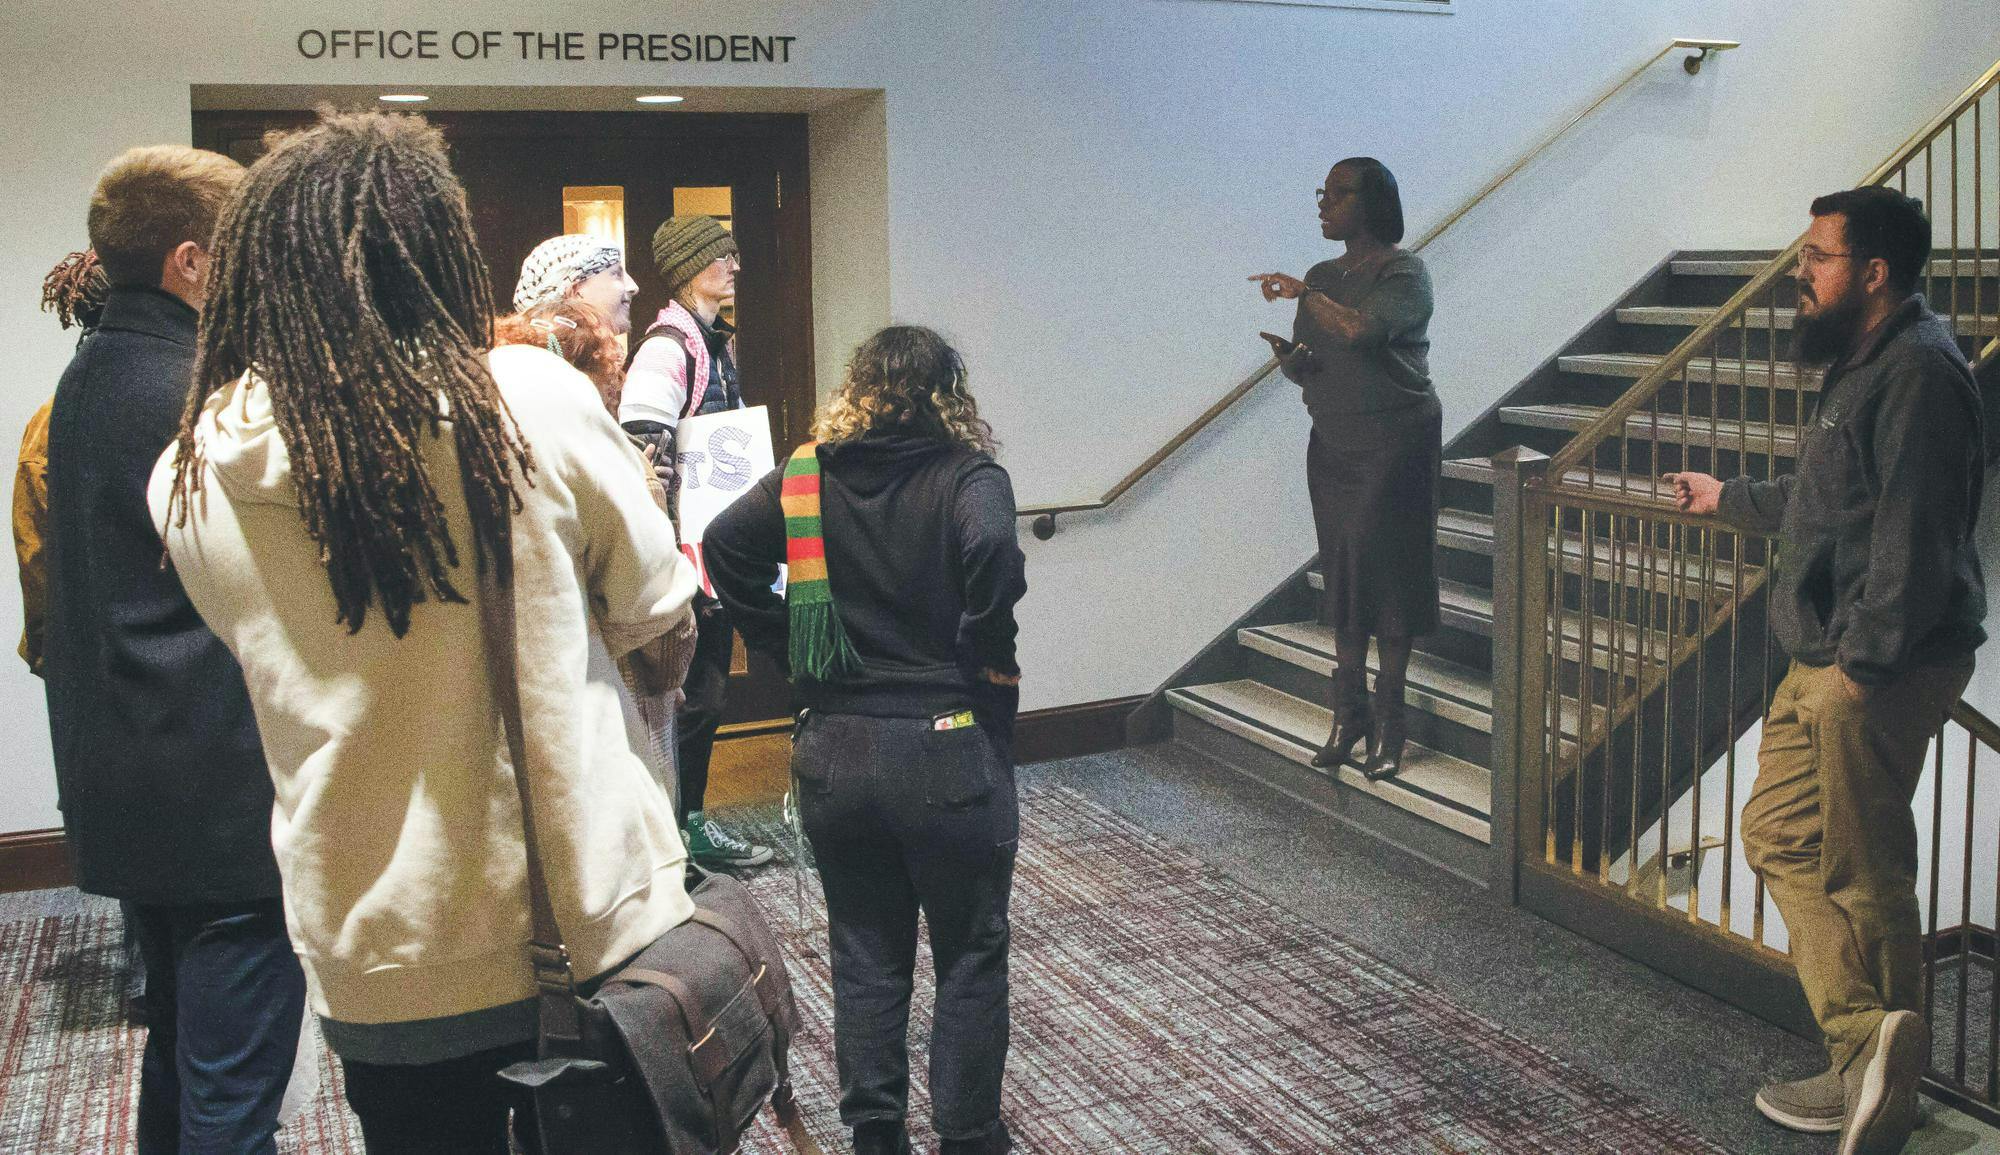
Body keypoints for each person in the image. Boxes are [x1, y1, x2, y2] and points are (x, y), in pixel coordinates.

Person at [149, 111, 701, 1153]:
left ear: (264, 264)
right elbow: (660, 624)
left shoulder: (193, 468)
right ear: (440, 248)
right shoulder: (527, 398)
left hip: (374, 947)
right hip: (581, 913)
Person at [1666, 186, 1984, 1155]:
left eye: (1818, 257)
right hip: (1825, 651)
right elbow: (1828, 502)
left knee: (1863, 866)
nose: (1799, 273)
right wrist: (1730, 498)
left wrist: (1862, 667)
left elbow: (1912, 539)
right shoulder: (1861, 364)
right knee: (1771, 832)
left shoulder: (1921, 373)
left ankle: (1892, 1091)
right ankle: (1864, 1051)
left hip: (1873, 666)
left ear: (1872, 273)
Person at [705, 325, 1027, 1155]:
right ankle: (966, 1135)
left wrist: (784, 642)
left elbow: (721, 546)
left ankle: (876, 1135)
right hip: (948, 749)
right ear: (949, 394)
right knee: (969, 949)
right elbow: (992, 545)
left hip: (837, 753)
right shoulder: (967, 475)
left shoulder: (809, 475)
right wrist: (985, 651)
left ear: (858, 388)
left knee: (866, 949)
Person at [45, 145, 308, 1154]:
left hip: (129, 770)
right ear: (192, 263)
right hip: (219, 791)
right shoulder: (192, 395)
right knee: (233, 1095)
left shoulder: (93, 373)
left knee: (182, 1066)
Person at [1251, 156, 1440, 781]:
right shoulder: (1322, 273)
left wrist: (1306, 296)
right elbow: (1321, 355)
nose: (1324, 203)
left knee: (1389, 572)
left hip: (1394, 439)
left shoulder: (1404, 272)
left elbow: (1362, 333)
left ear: (1374, 201)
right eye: (1322, 192)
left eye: (1338, 192)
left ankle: (1390, 721)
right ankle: (1348, 714)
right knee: (1344, 571)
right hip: (1333, 439)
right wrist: (1292, 361)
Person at [619, 213, 774, 868]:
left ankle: (689, 832)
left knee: (706, 697)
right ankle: (676, 837)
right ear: (689, 268)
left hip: (708, 554)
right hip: (683, 557)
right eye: (722, 255)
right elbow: (641, 456)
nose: (735, 265)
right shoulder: (666, 350)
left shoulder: (713, 345)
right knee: (691, 700)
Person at [17, 250, 109, 677]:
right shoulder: (201, 398)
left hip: (86, 658)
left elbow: (37, 559)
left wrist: (47, 652)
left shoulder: (51, 418)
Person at [510, 232, 639, 335]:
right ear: (575, 291)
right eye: (616, 274)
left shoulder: (588, 359)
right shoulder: (555, 360)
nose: (633, 287)